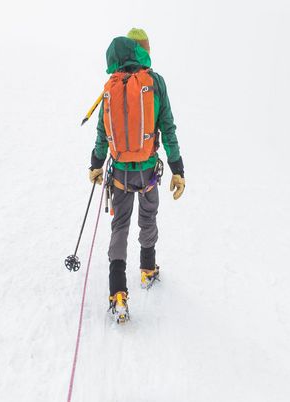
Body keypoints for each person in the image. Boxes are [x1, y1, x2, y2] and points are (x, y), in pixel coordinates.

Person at [87, 28, 185, 322]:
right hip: (148, 171)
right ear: (144, 50)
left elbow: (103, 132)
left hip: (119, 174)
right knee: (148, 217)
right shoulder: (154, 82)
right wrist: (178, 169)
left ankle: (118, 293)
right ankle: (147, 269)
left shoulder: (112, 84)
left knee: (120, 226)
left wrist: (95, 163)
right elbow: (167, 127)